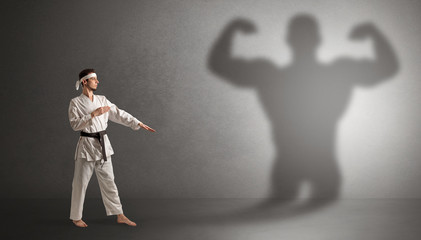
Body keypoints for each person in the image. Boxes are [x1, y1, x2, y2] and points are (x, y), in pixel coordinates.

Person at [68, 68, 155, 227]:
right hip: (86, 146)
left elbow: (118, 113)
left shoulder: (102, 99)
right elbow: (74, 125)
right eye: (94, 79)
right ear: (84, 82)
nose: (97, 81)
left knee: (109, 181)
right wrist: (94, 114)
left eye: (97, 79)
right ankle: (76, 217)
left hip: (103, 146)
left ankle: (119, 214)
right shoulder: (75, 102)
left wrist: (137, 122)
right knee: (80, 183)